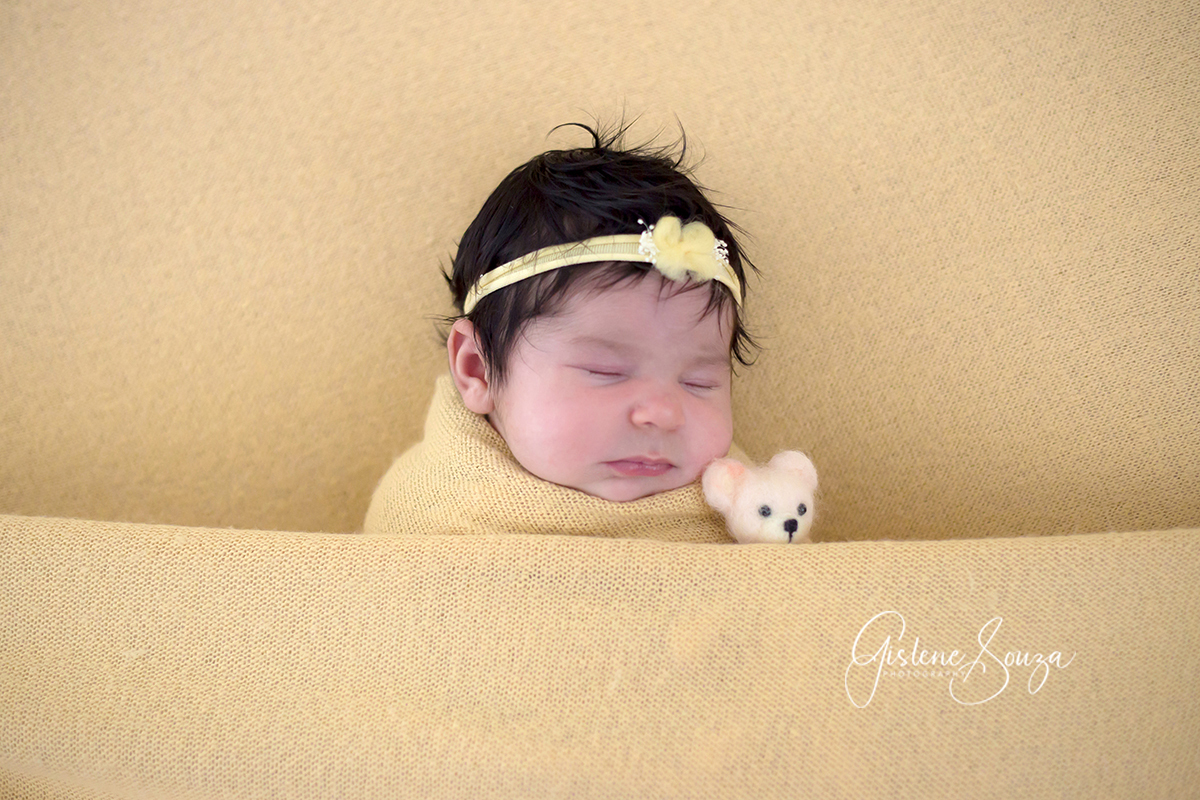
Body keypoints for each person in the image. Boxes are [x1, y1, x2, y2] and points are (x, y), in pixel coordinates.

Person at [364, 123, 758, 541]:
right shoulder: (430, 515)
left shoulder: (745, 507)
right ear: (478, 370)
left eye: (699, 382)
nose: (662, 413)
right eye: (606, 371)